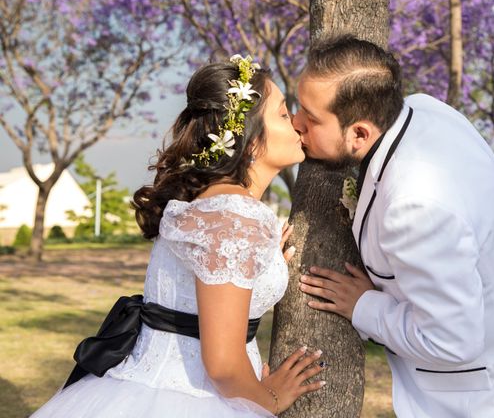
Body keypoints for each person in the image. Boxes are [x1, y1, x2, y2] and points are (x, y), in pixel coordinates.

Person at [292, 35, 494, 418]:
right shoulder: (424, 110)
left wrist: (365, 306)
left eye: (311, 116)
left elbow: (453, 340)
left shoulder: (413, 205)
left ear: (360, 133)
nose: (295, 123)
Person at [32, 56, 325, 417]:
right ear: (249, 142)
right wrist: (273, 400)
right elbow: (222, 366)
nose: (297, 122)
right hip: (196, 400)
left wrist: (263, 261)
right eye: (283, 114)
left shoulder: (207, 203)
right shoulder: (234, 217)